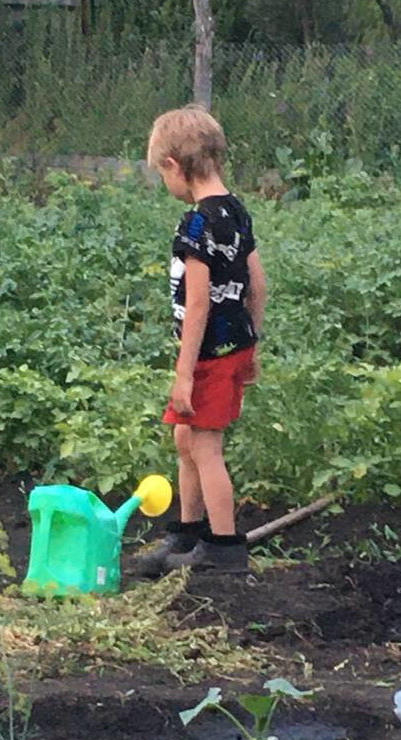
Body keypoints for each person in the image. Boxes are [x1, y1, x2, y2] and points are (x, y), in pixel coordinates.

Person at [137, 105, 267, 575]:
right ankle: (186, 534)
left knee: (205, 447)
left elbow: (197, 305)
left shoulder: (195, 225)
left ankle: (224, 546)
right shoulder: (236, 212)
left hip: (209, 356)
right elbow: (258, 283)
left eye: (161, 174)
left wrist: (183, 375)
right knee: (185, 435)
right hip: (235, 348)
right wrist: (252, 344)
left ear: (174, 165)